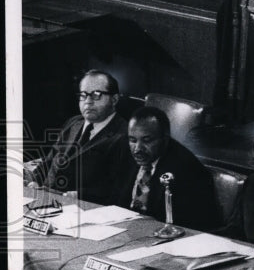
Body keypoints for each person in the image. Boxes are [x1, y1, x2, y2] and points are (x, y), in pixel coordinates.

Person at [27, 70, 128, 204]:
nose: (88, 102)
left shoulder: (125, 135)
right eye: (83, 95)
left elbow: (116, 187)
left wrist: (77, 195)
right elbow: (50, 160)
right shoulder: (74, 122)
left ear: (114, 99)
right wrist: (35, 180)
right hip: (44, 200)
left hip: (83, 208)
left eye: (96, 95)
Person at [115, 106, 218, 230]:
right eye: (132, 140)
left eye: (147, 140)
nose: (137, 149)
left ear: (165, 138)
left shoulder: (187, 169)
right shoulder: (123, 150)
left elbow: (189, 225)